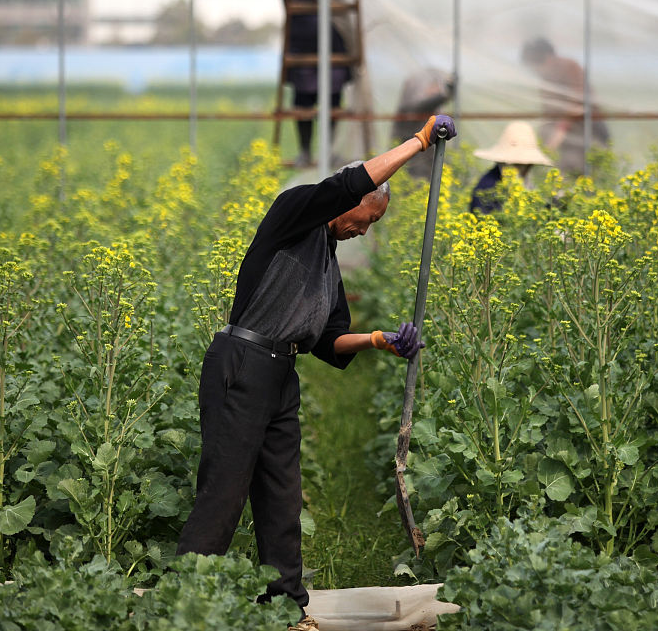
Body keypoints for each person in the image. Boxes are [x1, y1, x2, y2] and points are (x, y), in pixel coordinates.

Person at [176, 114, 457, 631]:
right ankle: (187, 604)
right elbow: (349, 184)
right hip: (242, 362)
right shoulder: (295, 213)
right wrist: (419, 142)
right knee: (224, 491)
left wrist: (380, 341)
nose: (363, 230)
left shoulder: (327, 263)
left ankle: (286, 605)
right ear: (349, 203)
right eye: (366, 219)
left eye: (372, 225)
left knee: (281, 492)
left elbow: (329, 341)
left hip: (281, 374)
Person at [242, 0, 388, 168]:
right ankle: (305, 151)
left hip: (335, 36)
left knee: (332, 98)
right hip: (302, 40)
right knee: (303, 98)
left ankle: (328, 150)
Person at [521, 36, 610, 177]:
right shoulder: (545, 78)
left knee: (582, 171)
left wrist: (559, 131)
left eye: (536, 65)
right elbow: (549, 110)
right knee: (562, 172)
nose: (535, 70)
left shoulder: (570, 67)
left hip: (588, 130)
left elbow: (577, 102)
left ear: (548, 58)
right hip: (566, 134)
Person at [470, 121, 553, 213]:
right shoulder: (487, 187)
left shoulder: (525, 183)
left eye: (528, 164)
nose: (527, 168)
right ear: (503, 162)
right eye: (518, 164)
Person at [392, 67, 454, 179]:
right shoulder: (410, 106)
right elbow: (422, 105)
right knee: (414, 181)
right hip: (413, 157)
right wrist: (443, 95)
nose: (435, 89)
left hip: (426, 156)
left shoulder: (431, 109)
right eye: (434, 86)